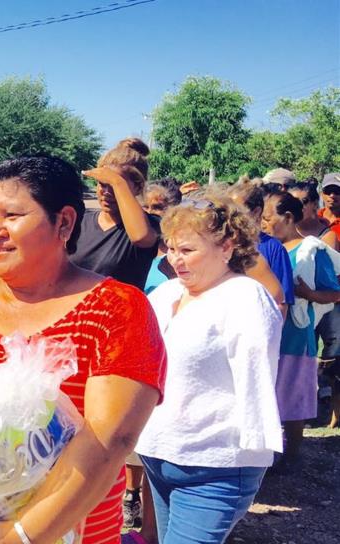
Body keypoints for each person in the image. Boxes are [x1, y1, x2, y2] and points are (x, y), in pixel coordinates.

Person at [0, 156, 166, 544]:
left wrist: (19, 538)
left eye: (12, 215)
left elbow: (110, 443)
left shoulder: (117, 309)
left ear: (63, 222)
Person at [136, 195, 283, 544]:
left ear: (227, 247)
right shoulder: (165, 293)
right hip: (158, 455)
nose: (175, 259)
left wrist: (256, 447)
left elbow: (258, 379)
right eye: (170, 248)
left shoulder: (245, 297)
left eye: (187, 250)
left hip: (215, 466)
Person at [261, 191, 340, 469]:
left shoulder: (309, 252)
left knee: (292, 394)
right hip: (269, 334)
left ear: (288, 218)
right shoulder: (265, 249)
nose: (263, 224)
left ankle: (292, 455)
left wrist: (307, 293)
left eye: (268, 218)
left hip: (295, 335)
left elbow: (334, 293)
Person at [71, 138, 160, 289]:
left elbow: (141, 237)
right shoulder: (81, 220)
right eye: (101, 183)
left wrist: (116, 181)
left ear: (138, 187)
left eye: (113, 186)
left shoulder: (150, 225)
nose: (105, 192)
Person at [227, 182, 294, 316]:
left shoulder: (273, 248)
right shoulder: (224, 243)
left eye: (237, 211)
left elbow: (282, 301)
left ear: (257, 212)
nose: (230, 216)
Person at [317, 173, 340, 427]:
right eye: (329, 191)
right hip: (311, 296)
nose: (333, 196)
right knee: (309, 350)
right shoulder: (314, 220)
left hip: (336, 298)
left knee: (335, 351)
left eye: (338, 191)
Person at [143, 179, 182, 294]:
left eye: (157, 207)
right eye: (145, 207)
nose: (149, 212)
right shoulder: (131, 246)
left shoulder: (183, 250)